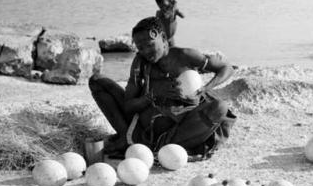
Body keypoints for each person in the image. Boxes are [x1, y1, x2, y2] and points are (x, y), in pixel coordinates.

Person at [89, 16, 236, 160]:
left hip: (182, 127)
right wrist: (152, 96)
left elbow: (226, 68)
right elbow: (128, 106)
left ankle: (164, 148)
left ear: (164, 38)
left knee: (220, 107)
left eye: (150, 45)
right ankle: (126, 138)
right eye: (141, 48)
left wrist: (206, 88)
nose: (146, 52)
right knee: (97, 81)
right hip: (145, 126)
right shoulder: (140, 62)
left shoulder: (185, 56)